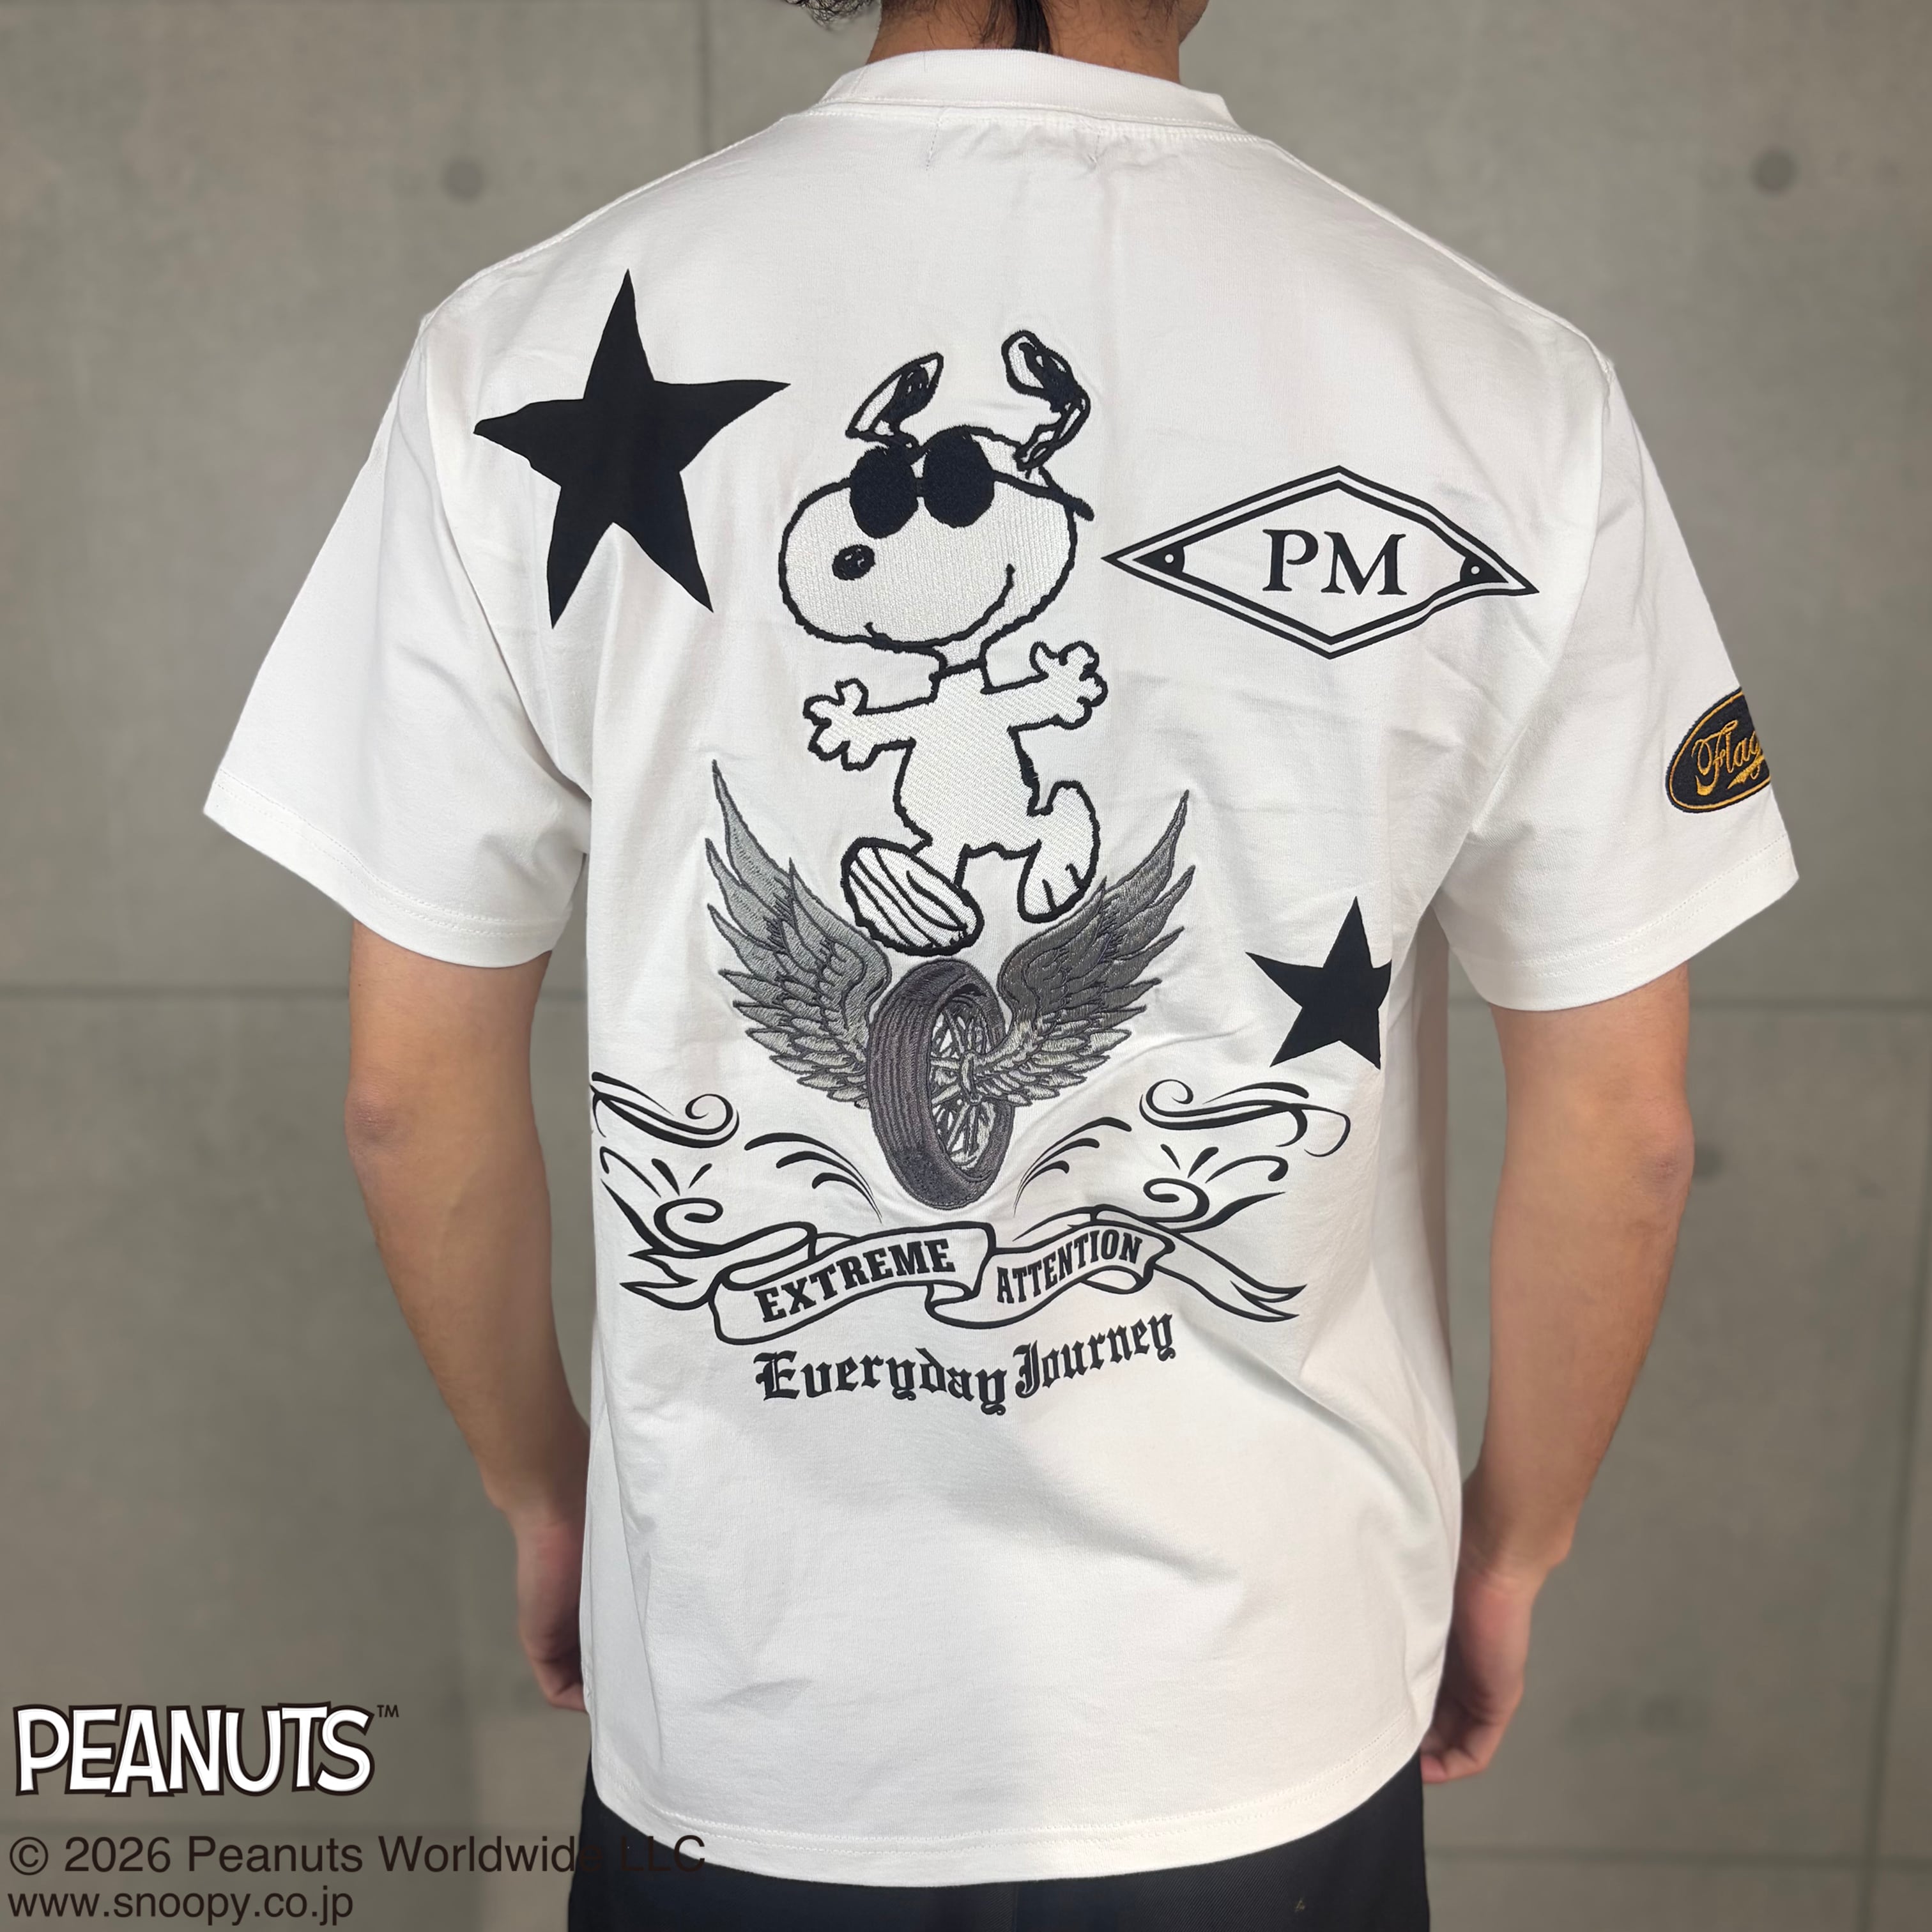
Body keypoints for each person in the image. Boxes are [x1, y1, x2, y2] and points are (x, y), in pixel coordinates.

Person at [204, 0, 1795, 1924]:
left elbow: (407, 1097)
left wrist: (549, 1496)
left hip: (750, 1718)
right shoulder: (1502, 386)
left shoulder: (521, 352)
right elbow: (1626, 1129)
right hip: (1266, 1701)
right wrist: (1515, 1547)